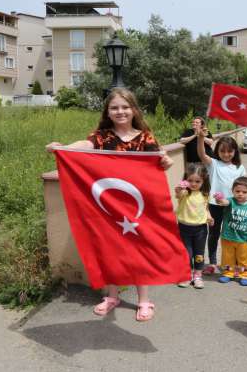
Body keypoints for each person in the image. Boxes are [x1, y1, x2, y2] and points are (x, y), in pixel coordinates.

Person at [45, 87, 173, 322]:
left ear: (134, 110)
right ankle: (111, 296)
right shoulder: (102, 136)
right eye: (114, 107)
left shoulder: (145, 136)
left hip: (137, 208)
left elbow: (160, 159)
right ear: (108, 111)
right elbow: (86, 145)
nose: (120, 111)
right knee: (110, 250)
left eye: (125, 107)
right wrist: (63, 148)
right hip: (108, 207)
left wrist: (166, 160)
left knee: (139, 252)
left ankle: (144, 300)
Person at [194, 119, 247, 275]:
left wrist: (242, 201)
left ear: (235, 152)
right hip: (214, 205)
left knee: (232, 235)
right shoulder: (214, 164)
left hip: (232, 206)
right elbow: (201, 154)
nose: (226, 154)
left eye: (230, 151)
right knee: (214, 234)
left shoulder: (240, 167)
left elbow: (244, 187)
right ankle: (213, 263)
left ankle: (233, 264)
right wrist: (201, 138)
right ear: (217, 151)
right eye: (222, 151)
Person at [214, 177, 247, 286]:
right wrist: (219, 200)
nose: (240, 194)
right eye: (237, 191)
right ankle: (228, 273)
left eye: (244, 192)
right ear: (232, 190)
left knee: (244, 257)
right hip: (227, 237)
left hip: (243, 239)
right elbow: (224, 202)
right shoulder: (230, 201)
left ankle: (245, 275)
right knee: (227, 256)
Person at [174, 163, 214, 289]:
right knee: (187, 254)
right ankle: (186, 275)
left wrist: (209, 216)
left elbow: (205, 208)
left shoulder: (205, 194)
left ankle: (197, 275)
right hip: (184, 227)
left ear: (203, 181)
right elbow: (178, 194)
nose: (194, 184)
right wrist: (179, 189)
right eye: (190, 180)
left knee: (199, 254)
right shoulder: (185, 193)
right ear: (185, 180)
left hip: (200, 229)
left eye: (197, 181)